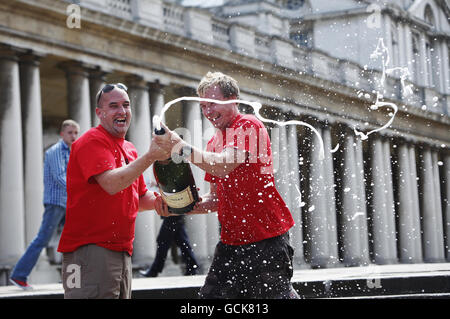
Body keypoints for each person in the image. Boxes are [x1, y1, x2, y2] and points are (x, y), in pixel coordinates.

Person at [154, 72, 299, 299]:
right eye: (203, 107)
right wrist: (177, 206)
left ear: (233, 99)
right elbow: (215, 200)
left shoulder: (249, 125)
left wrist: (179, 145)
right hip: (231, 243)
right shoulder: (213, 142)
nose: (208, 112)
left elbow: (222, 166)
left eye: (213, 104)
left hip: (267, 239)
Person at [57, 83, 170, 299]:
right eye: (114, 106)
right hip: (88, 252)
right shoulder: (91, 141)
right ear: (100, 113)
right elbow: (110, 184)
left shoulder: (128, 148)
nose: (122, 111)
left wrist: (175, 202)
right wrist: (150, 157)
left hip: (120, 250)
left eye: (126, 105)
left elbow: (140, 198)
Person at [9, 120, 80, 290]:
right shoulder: (55, 151)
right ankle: (19, 276)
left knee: (75, 239)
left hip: (67, 202)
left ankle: (74, 280)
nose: (74, 136)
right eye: (70, 133)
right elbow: (60, 176)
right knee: (42, 239)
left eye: (76, 133)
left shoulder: (71, 152)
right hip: (56, 203)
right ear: (62, 134)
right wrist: (79, 191)